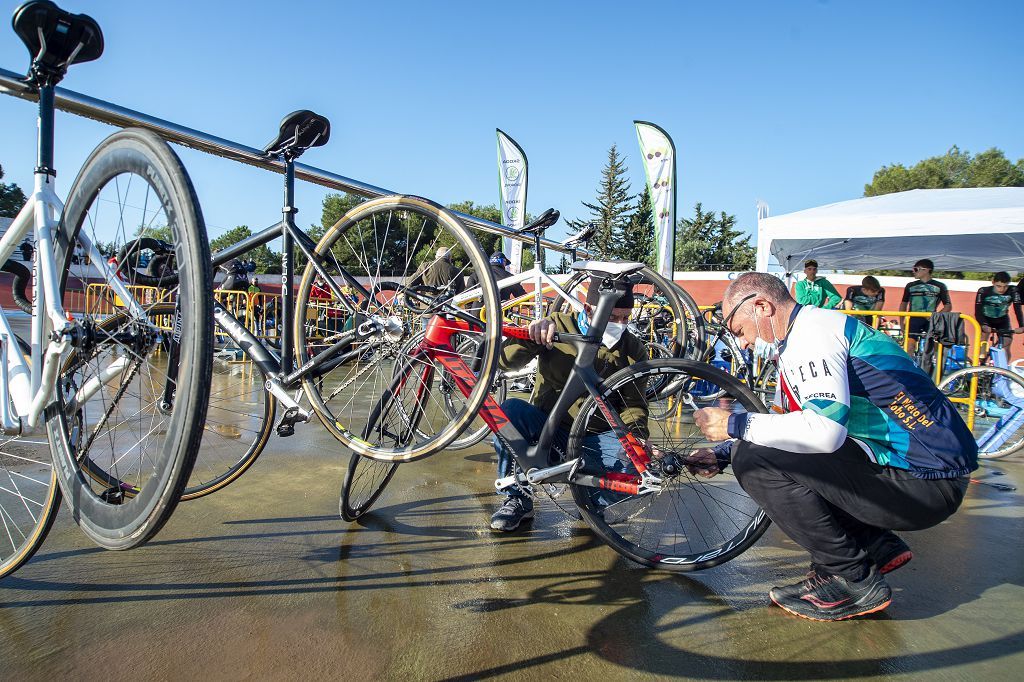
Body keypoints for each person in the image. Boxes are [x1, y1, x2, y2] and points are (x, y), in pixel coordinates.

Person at [687, 272, 976, 621]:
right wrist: (721, 454)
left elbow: (823, 433)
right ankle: (873, 543)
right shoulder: (804, 335)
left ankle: (853, 579)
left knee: (753, 459)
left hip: (927, 483)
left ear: (761, 306)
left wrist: (732, 426)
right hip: (922, 475)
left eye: (739, 331)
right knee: (752, 449)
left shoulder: (813, 336)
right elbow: (787, 426)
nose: (744, 344)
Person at [489, 277, 648, 532]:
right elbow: (505, 362)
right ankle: (517, 496)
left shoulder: (633, 349)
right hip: (549, 429)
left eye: (626, 318)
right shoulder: (559, 326)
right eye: (614, 317)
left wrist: (637, 439)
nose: (620, 325)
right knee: (508, 413)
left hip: (594, 437)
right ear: (588, 309)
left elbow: (634, 405)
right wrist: (532, 336)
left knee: (642, 471)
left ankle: (592, 499)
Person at [899, 258, 951, 352]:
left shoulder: (940, 286)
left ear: (926, 270)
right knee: (909, 346)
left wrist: (935, 316)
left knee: (937, 345)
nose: (913, 272)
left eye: (915, 269)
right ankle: (908, 366)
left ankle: (937, 365)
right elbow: (903, 304)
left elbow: (948, 306)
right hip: (913, 318)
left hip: (930, 319)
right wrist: (901, 322)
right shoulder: (910, 286)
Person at [975, 271, 1024, 360]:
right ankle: (981, 361)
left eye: (1005, 286)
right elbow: (978, 311)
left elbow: (1017, 309)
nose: (1002, 289)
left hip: (1002, 320)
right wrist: (983, 324)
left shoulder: (1013, 290)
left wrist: (1022, 325)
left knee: (1007, 343)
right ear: (993, 282)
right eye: (999, 286)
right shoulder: (983, 291)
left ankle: (1004, 368)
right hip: (986, 319)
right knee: (983, 340)